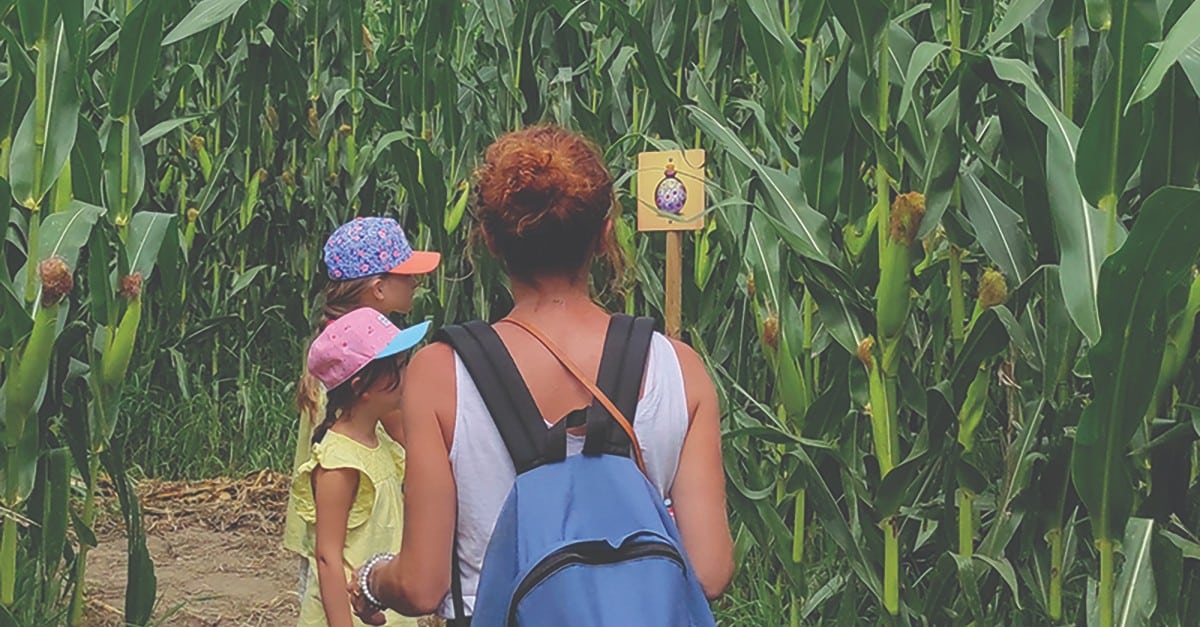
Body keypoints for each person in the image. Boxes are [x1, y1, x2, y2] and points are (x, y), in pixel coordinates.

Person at [348, 125, 734, 625]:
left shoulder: (440, 373)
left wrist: (370, 580)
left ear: (488, 239)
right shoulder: (678, 369)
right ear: (604, 234)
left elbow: (423, 587)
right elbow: (709, 572)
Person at [284, 216, 440, 576]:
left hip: (335, 529)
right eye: (406, 274)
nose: (416, 282)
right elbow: (409, 437)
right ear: (378, 287)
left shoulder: (339, 345)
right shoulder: (373, 365)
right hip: (360, 539)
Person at [291, 307, 432, 627]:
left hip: (384, 609)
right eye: (397, 367)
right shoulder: (339, 463)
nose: (407, 373)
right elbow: (327, 557)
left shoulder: (380, 445)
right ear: (360, 386)